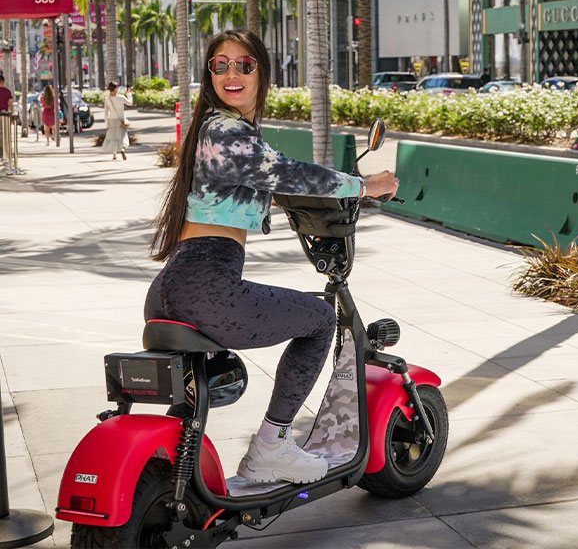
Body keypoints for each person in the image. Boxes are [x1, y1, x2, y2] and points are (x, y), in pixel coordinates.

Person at [145, 29, 398, 485]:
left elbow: (266, 180)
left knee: (197, 388)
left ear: (262, 72)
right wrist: (366, 185)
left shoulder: (221, 132)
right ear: (209, 75)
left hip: (172, 287)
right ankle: (271, 446)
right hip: (207, 284)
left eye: (244, 64)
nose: (232, 73)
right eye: (220, 65)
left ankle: (174, 471)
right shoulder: (226, 130)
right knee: (320, 319)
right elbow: (284, 172)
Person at [102, 81, 133, 160]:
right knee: (123, 137)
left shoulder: (107, 99)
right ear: (115, 89)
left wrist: (106, 125)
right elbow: (130, 103)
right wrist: (129, 94)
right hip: (121, 120)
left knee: (113, 138)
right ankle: (123, 149)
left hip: (112, 120)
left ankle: (114, 155)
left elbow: (106, 113)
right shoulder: (121, 97)